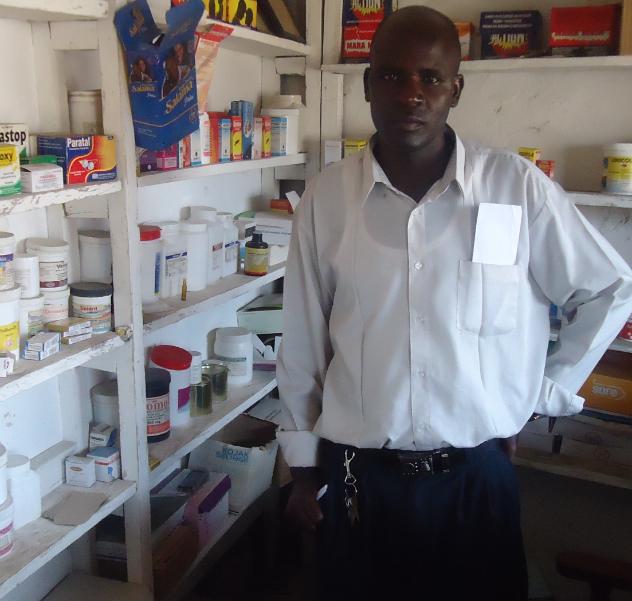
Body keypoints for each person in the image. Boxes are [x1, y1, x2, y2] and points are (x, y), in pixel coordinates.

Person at [276, 6, 632, 601]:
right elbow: (304, 337)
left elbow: (609, 287)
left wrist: (540, 393)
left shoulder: (515, 188)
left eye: (431, 77)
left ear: (456, 89)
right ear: (367, 84)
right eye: (392, 76)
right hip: (358, 476)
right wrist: (303, 469)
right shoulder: (326, 199)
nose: (411, 94)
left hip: (476, 482)